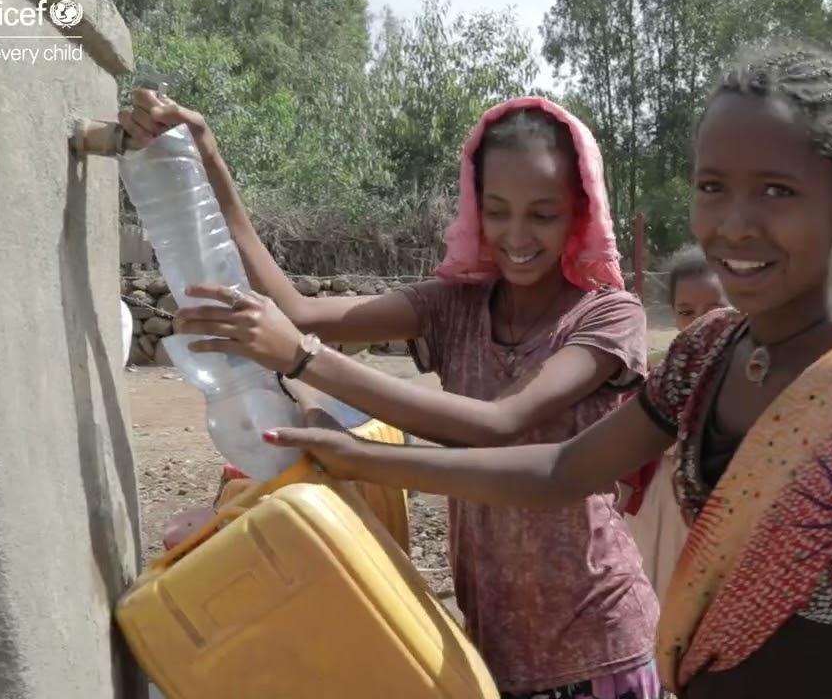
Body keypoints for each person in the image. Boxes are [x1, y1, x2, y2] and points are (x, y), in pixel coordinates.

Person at [257, 44, 832, 699]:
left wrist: (323, 384)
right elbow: (560, 470)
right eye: (712, 187)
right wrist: (362, 458)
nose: (734, 224)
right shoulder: (706, 355)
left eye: (777, 190)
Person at [119, 92, 662, 698]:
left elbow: (499, 423)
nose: (516, 234)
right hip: (494, 645)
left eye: (543, 214)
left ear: (579, 212)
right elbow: (298, 311)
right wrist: (211, 163)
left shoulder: (607, 316)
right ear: (475, 207)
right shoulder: (455, 306)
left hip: (597, 644)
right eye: (497, 210)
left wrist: (305, 361)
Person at [619, 245, 727, 600]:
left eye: (715, 309)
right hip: (660, 509)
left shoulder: (755, 377)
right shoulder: (663, 375)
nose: (701, 322)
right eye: (686, 311)